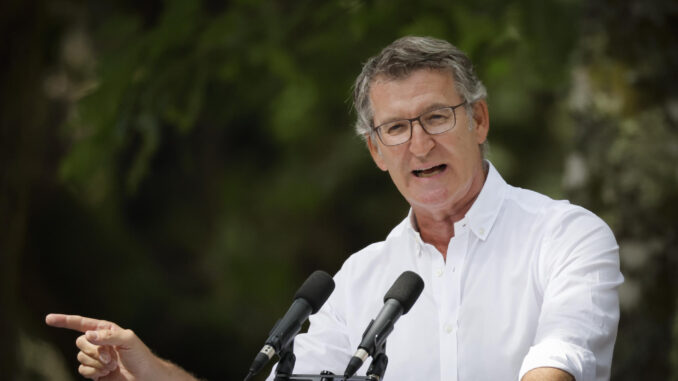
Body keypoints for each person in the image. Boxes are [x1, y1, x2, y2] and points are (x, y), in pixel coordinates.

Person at [46, 36, 623, 381]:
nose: (419, 145)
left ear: (479, 120)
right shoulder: (359, 279)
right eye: (395, 128)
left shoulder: (566, 235)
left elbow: (561, 354)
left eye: (437, 118)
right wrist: (152, 372)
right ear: (375, 151)